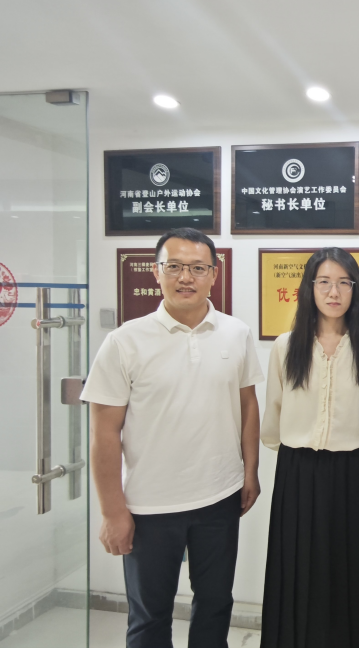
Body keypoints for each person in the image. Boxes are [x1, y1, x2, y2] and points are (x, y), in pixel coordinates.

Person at [82, 227, 263, 648]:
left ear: (214, 274)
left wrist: (249, 472)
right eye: (175, 266)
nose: (186, 277)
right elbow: (104, 433)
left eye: (198, 268)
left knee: (215, 604)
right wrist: (112, 512)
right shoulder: (124, 341)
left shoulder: (236, 333)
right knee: (149, 617)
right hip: (149, 506)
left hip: (219, 498)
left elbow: (248, 405)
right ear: (156, 272)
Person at [259, 248, 359, 648]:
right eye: (324, 282)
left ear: (355, 289)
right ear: (309, 288)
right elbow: (274, 411)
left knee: (348, 565)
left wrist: (348, 445)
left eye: (343, 283)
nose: (334, 292)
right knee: (296, 563)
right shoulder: (286, 346)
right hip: (297, 470)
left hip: (352, 471)